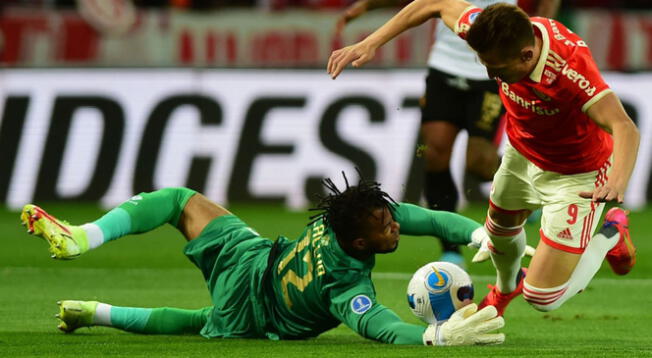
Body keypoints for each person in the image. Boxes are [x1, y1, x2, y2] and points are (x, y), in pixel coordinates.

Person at [327, 0, 639, 316]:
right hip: (523, 153)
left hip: (576, 173)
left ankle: (611, 234)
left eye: (498, 67)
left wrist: (617, 182)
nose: (490, 73)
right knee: (498, 233)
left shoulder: (569, 70)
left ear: (527, 55)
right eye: (484, 63)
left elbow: (624, 127)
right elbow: (433, 3)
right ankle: (505, 290)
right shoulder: (490, 30)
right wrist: (370, 43)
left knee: (543, 298)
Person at [21, 174, 507, 346]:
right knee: (198, 324)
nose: (396, 226)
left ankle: (85, 241)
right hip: (255, 311)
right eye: (386, 226)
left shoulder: (339, 217)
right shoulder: (345, 285)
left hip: (251, 257)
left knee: (176, 199)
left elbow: (430, 220)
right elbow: (378, 326)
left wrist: (479, 231)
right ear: (361, 245)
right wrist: (432, 335)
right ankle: (95, 309)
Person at [333, 0, 560, 268]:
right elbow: (426, 2)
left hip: (494, 67)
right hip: (445, 66)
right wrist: (368, 7)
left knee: (480, 164)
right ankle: (450, 249)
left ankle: (526, 187)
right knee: (434, 153)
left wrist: (539, 35)